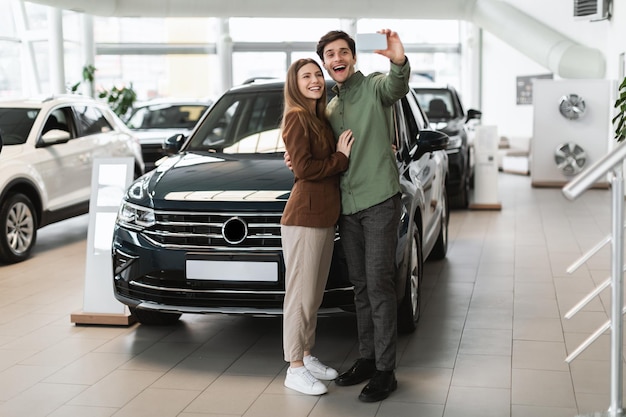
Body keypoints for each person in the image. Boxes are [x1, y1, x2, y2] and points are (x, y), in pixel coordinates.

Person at [316, 29, 410, 402]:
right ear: (325, 62)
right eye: (329, 54)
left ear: (353, 58)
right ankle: (368, 358)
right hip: (347, 207)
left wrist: (398, 60)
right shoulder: (329, 106)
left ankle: (386, 370)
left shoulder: (373, 87)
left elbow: (395, 87)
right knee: (360, 286)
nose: (336, 58)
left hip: (379, 200)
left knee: (379, 284)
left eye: (343, 52)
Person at [280, 58, 355, 396]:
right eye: (305, 76)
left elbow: (304, 160)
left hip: (323, 216)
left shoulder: (317, 118)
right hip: (304, 218)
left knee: (312, 295)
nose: (314, 81)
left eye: (316, 75)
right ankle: (294, 367)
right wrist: (340, 158)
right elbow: (305, 170)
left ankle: (306, 355)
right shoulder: (297, 117)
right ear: (294, 84)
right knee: (299, 296)